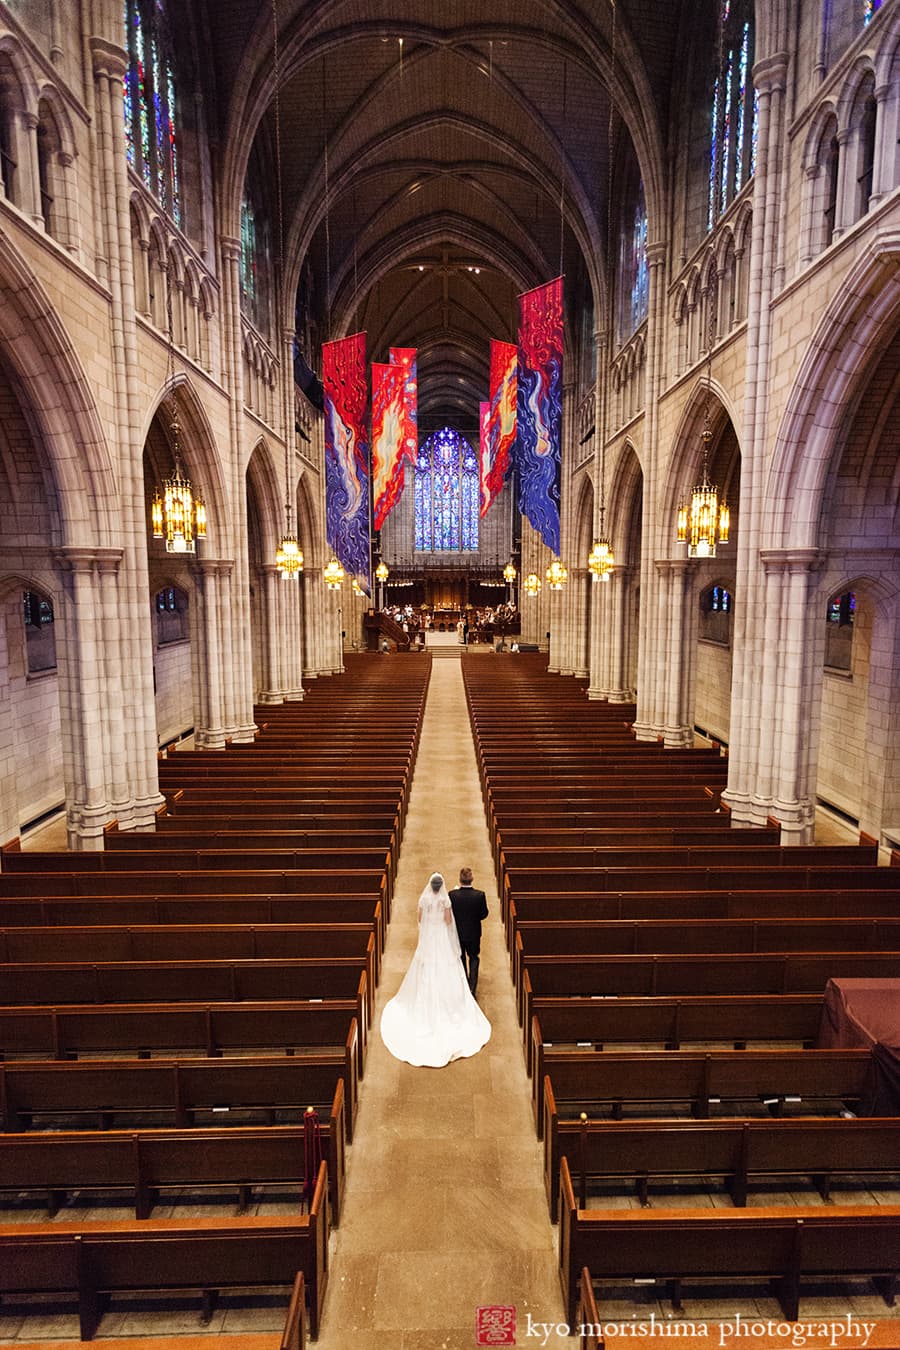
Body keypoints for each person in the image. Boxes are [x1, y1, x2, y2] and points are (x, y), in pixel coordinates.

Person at [380, 872, 491, 1067]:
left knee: (427, 968)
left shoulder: (425, 899)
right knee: (450, 965)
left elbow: (420, 919)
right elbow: (449, 922)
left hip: (429, 939)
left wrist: (428, 930)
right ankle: (461, 992)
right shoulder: (445, 900)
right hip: (441, 937)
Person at [448, 866, 489, 996]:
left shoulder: (452, 895)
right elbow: (484, 914)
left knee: (460, 959)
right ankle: (472, 987)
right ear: (472, 879)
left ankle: (464, 984)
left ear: (460, 880)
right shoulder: (480, 895)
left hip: (458, 933)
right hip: (474, 934)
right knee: (474, 958)